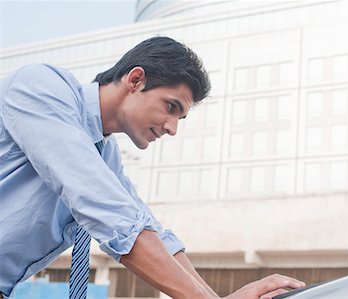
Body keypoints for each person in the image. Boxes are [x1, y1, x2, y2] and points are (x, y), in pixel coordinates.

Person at [0, 36, 305, 299]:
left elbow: (147, 229)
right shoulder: (41, 88)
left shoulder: (105, 155)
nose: (173, 128)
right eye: (171, 107)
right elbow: (103, 207)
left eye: (180, 118)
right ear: (135, 80)